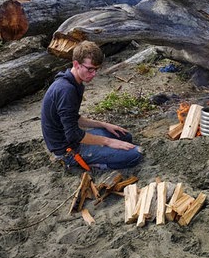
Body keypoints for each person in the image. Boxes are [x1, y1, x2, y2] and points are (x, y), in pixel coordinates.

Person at [41, 41, 143, 170]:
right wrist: (108, 142)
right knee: (135, 155)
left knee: (124, 136)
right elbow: (73, 134)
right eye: (90, 69)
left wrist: (104, 125)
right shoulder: (66, 90)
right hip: (68, 151)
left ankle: (102, 153)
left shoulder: (74, 82)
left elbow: (74, 119)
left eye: (96, 69)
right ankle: (89, 164)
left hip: (73, 139)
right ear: (76, 64)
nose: (94, 74)